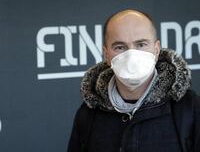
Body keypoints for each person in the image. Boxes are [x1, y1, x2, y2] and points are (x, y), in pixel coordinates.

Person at [67, 9, 200, 152]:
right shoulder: (89, 114)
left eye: (141, 44)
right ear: (106, 55)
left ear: (156, 50)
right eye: (120, 47)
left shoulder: (189, 108)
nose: (131, 55)